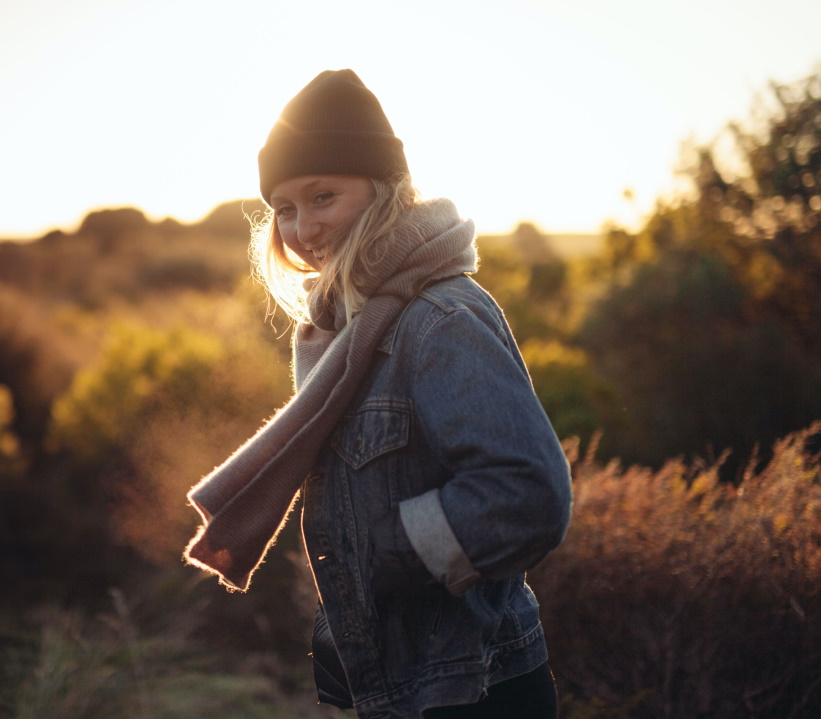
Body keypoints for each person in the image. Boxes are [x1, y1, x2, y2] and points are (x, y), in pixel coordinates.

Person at [185, 69, 572, 719]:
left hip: (477, 690)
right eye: (284, 207)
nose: (303, 227)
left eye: (323, 195)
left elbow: (528, 491)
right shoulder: (341, 329)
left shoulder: (441, 318)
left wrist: (392, 554)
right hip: (403, 688)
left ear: (383, 188)